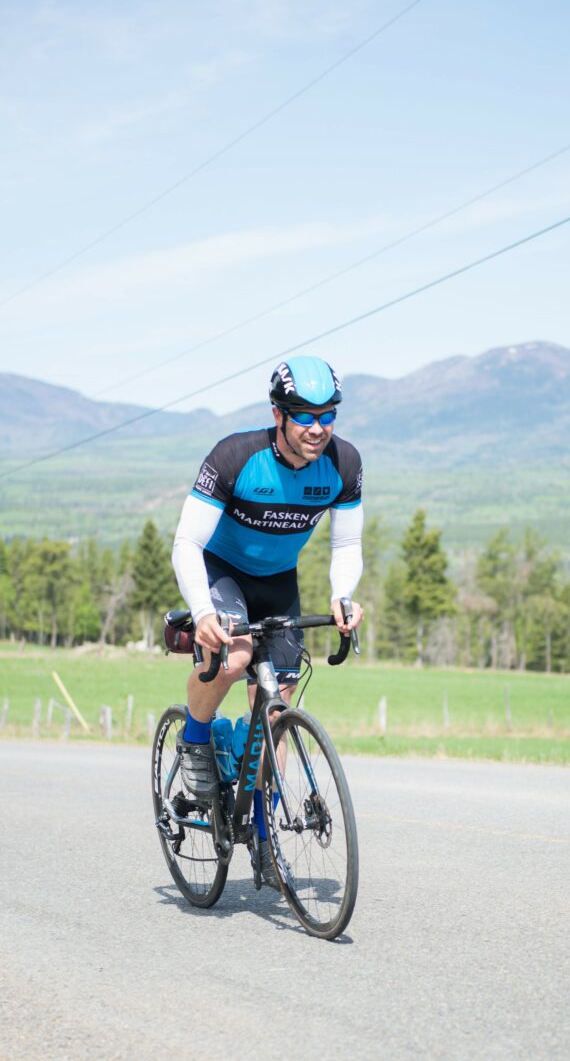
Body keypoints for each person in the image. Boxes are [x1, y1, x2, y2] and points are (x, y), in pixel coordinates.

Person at [171, 355, 364, 884]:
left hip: (278, 579)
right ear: (278, 414)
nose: (318, 429)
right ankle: (194, 736)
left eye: (328, 416)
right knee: (232, 659)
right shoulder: (235, 457)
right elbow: (187, 542)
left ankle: (261, 826)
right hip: (220, 571)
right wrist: (206, 614)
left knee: (275, 703)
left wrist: (343, 596)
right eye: (305, 416)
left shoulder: (343, 465)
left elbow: (347, 542)